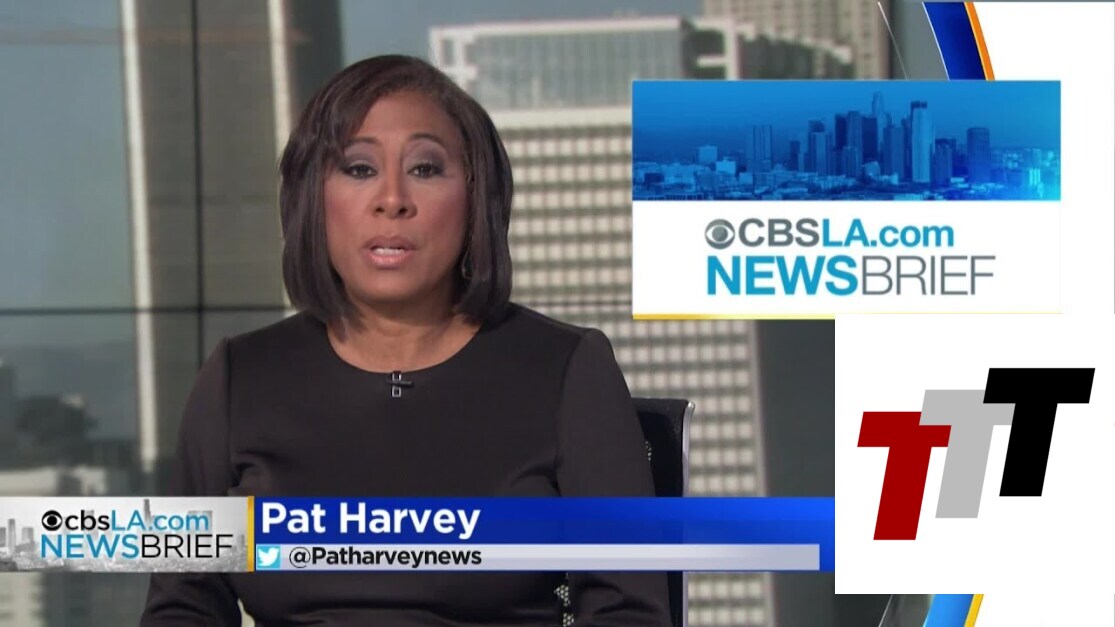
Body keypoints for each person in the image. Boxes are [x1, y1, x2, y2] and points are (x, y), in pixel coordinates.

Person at [140, 54, 670, 626]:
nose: (392, 199)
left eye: (425, 168)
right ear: (312, 199)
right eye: (359, 168)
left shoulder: (567, 370)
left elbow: (627, 612)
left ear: (475, 198)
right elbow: (182, 607)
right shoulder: (239, 377)